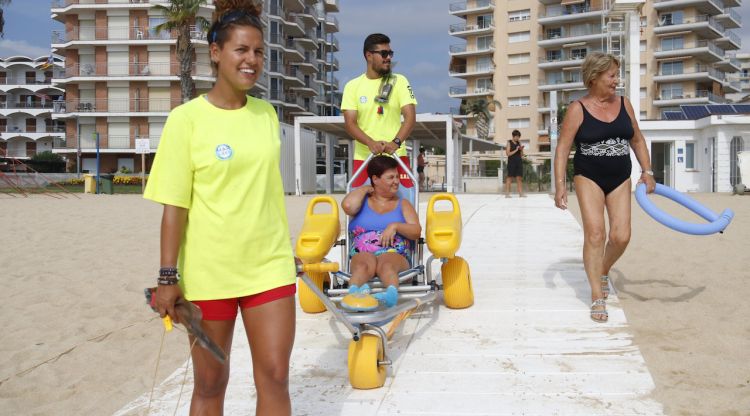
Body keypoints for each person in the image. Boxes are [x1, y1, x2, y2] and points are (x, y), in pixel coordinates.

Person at [144, 1, 297, 414]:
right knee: (211, 384)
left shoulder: (267, 115)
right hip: (209, 274)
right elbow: (174, 205)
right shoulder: (186, 120)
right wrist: (166, 277)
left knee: (276, 376)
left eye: (259, 52)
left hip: (269, 267)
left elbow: (261, 191)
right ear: (216, 53)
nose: (252, 60)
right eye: (242, 50)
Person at [553, 52, 655, 323]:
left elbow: (638, 140)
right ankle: (597, 295)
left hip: (620, 176)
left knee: (621, 236)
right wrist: (560, 185)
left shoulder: (625, 104)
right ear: (594, 77)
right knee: (596, 234)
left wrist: (648, 171)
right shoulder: (578, 109)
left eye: (616, 75)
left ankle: (603, 269)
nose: (616, 81)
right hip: (589, 175)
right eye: (611, 75)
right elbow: (562, 149)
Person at [341, 155, 421, 309]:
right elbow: (348, 206)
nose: (396, 181)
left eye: (397, 176)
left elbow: (416, 231)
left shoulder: (403, 204)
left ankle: (390, 295)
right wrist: (365, 188)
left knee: (386, 265)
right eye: (391, 177)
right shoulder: (362, 201)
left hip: (395, 253)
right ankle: (353, 294)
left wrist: (395, 226)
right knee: (363, 265)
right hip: (363, 252)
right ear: (375, 179)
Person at [342, 33, 417, 188]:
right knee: (356, 207)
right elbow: (350, 124)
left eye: (390, 53)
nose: (388, 57)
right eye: (384, 53)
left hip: (396, 155)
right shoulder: (352, 86)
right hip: (364, 158)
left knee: (405, 205)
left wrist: (396, 142)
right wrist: (370, 143)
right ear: (369, 56)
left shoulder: (400, 81)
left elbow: (410, 118)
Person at [504, 129, 525, 198]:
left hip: (519, 162)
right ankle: (507, 194)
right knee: (509, 178)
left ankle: (521, 194)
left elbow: (522, 155)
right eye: (517, 136)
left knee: (519, 178)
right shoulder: (509, 142)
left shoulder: (519, 143)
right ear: (513, 136)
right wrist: (516, 150)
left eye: (519, 137)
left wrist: (521, 150)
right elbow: (508, 154)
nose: (518, 138)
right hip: (511, 162)